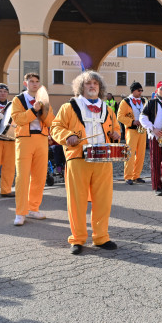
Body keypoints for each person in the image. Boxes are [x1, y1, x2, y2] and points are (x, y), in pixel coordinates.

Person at [51, 71, 121, 254]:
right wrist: (68, 136)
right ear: (81, 87)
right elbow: (56, 127)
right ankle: (78, 239)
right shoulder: (68, 107)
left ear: (100, 88)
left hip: (103, 159)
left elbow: (116, 128)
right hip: (78, 158)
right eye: (88, 83)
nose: (92, 86)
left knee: (103, 201)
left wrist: (116, 135)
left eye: (95, 84)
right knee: (77, 201)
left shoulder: (109, 109)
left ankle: (101, 237)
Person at [10, 73, 55, 226]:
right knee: (22, 177)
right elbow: (18, 119)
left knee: (40, 176)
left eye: (37, 82)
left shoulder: (45, 100)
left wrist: (42, 111)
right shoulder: (18, 99)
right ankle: (20, 212)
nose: (35, 84)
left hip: (42, 139)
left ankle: (33, 208)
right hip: (24, 140)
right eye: (31, 82)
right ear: (25, 83)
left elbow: (51, 121)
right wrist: (33, 110)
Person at [117, 81, 148, 185]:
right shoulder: (125, 101)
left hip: (142, 130)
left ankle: (137, 176)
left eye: (141, 90)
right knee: (129, 153)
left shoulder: (144, 100)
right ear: (134, 91)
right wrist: (132, 122)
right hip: (131, 130)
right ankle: (128, 176)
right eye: (139, 90)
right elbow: (120, 116)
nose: (141, 92)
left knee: (141, 154)